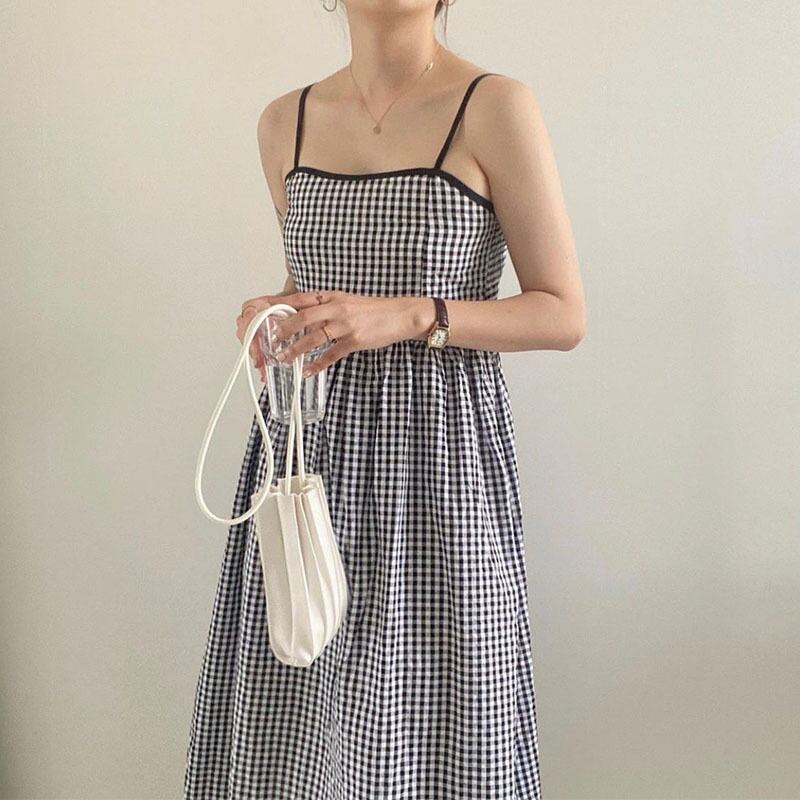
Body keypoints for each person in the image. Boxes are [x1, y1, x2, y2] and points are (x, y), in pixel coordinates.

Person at [184, 1, 585, 798]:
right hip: (309, 456)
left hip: (437, 463)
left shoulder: (494, 106)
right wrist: (279, 313)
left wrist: (407, 315)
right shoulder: (285, 122)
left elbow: (562, 313)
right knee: (300, 695)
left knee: (439, 704)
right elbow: (317, 281)